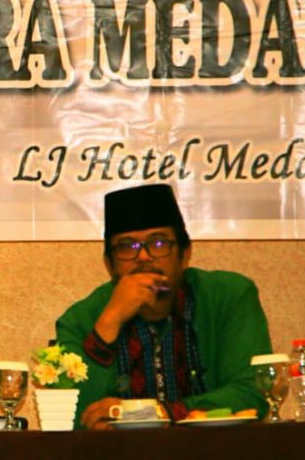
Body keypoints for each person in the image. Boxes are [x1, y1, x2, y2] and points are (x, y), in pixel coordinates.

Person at [55, 183, 271, 430]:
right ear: (109, 264)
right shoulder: (80, 320)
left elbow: (254, 392)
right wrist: (109, 322)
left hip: (216, 458)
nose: (144, 257)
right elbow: (69, 417)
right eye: (127, 246)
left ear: (185, 253)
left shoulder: (228, 297)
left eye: (158, 243)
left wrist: (157, 413)